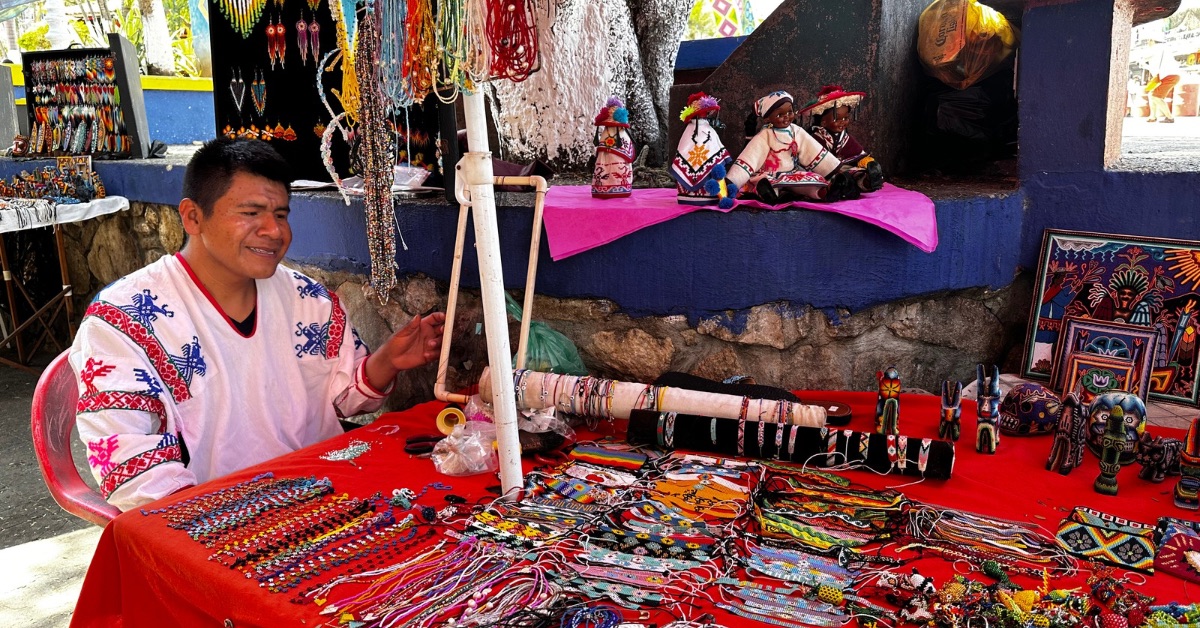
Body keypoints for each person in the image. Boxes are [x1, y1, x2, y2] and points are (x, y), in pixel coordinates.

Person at [69, 138, 446, 511]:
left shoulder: (306, 297)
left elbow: (343, 399)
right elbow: (131, 467)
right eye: (250, 213)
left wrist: (387, 361)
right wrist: (220, 527)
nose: (274, 231)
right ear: (193, 217)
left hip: (327, 493)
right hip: (214, 520)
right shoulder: (122, 320)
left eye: (281, 214)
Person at [728, 90, 858, 203]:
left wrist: (833, 169)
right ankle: (770, 195)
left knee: (811, 182)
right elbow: (750, 159)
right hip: (768, 175)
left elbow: (812, 150)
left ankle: (825, 192)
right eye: (780, 115)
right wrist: (732, 181)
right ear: (767, 119)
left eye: (789, 112)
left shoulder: (796, 131)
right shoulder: (764, 135)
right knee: (765, 185)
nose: (787, 117)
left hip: (791, 173)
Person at [798, 85, 884, 193]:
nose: (842, 122)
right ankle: (835, 188)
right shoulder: (816, 138)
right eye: (837, 118)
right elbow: (816, 163)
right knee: (817, 179)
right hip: (821, 172)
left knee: (858, 172)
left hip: (841, 169)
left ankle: (866, 182)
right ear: (823, 122)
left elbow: (858, 155)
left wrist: (870, 164)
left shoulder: (844, 137)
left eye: (846, 118)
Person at [1146, 47, 1181, 123]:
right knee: (1151, 94)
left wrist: (1144, 64)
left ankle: (1170, 117)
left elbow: (1155, 73)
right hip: (1171, 76)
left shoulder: (1155, 56)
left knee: (1155, 97)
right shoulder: (1163, 53)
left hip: (1170, 76)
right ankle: (1153, 116)